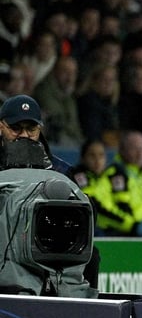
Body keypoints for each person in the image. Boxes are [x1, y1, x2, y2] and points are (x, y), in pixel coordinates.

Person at [0, 94, 100, 289]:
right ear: (0, 126)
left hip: (47, 243)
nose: (24, 135)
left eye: (31, 129)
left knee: (92, 256)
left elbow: (84, 212)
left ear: (40, 128)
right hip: (3, 241)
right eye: (15, 128)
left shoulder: (59, 169)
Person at [97, 130, 142, 237]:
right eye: (134, 149)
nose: (140, 154)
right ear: (122, 150)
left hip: (141, 237)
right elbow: (102, 206)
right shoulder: (114, 174)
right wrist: (133, 226)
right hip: (120, 237)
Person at [67, 139, 114, 236]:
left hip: (111, 225)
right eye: (92, 155)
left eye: (101, 155)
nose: (97, 160)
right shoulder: (77, 177)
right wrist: (129, 224)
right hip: (91, 227)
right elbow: (94, 206)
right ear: (83, 158)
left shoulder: (108, 177)